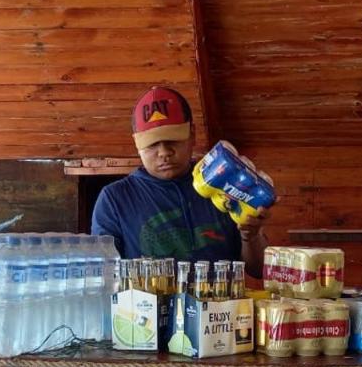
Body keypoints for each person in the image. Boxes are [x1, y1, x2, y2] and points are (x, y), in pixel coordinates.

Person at [91, 86, 270, 275]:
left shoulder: (224, 183)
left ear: (192, 134)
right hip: (147, 305)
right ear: (137, 144)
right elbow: (103, 276)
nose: (164, 153)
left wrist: (251, 236)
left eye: (173, 140)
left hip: (223, 304)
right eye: (152, 144)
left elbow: (259, 270)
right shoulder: (115, 199)